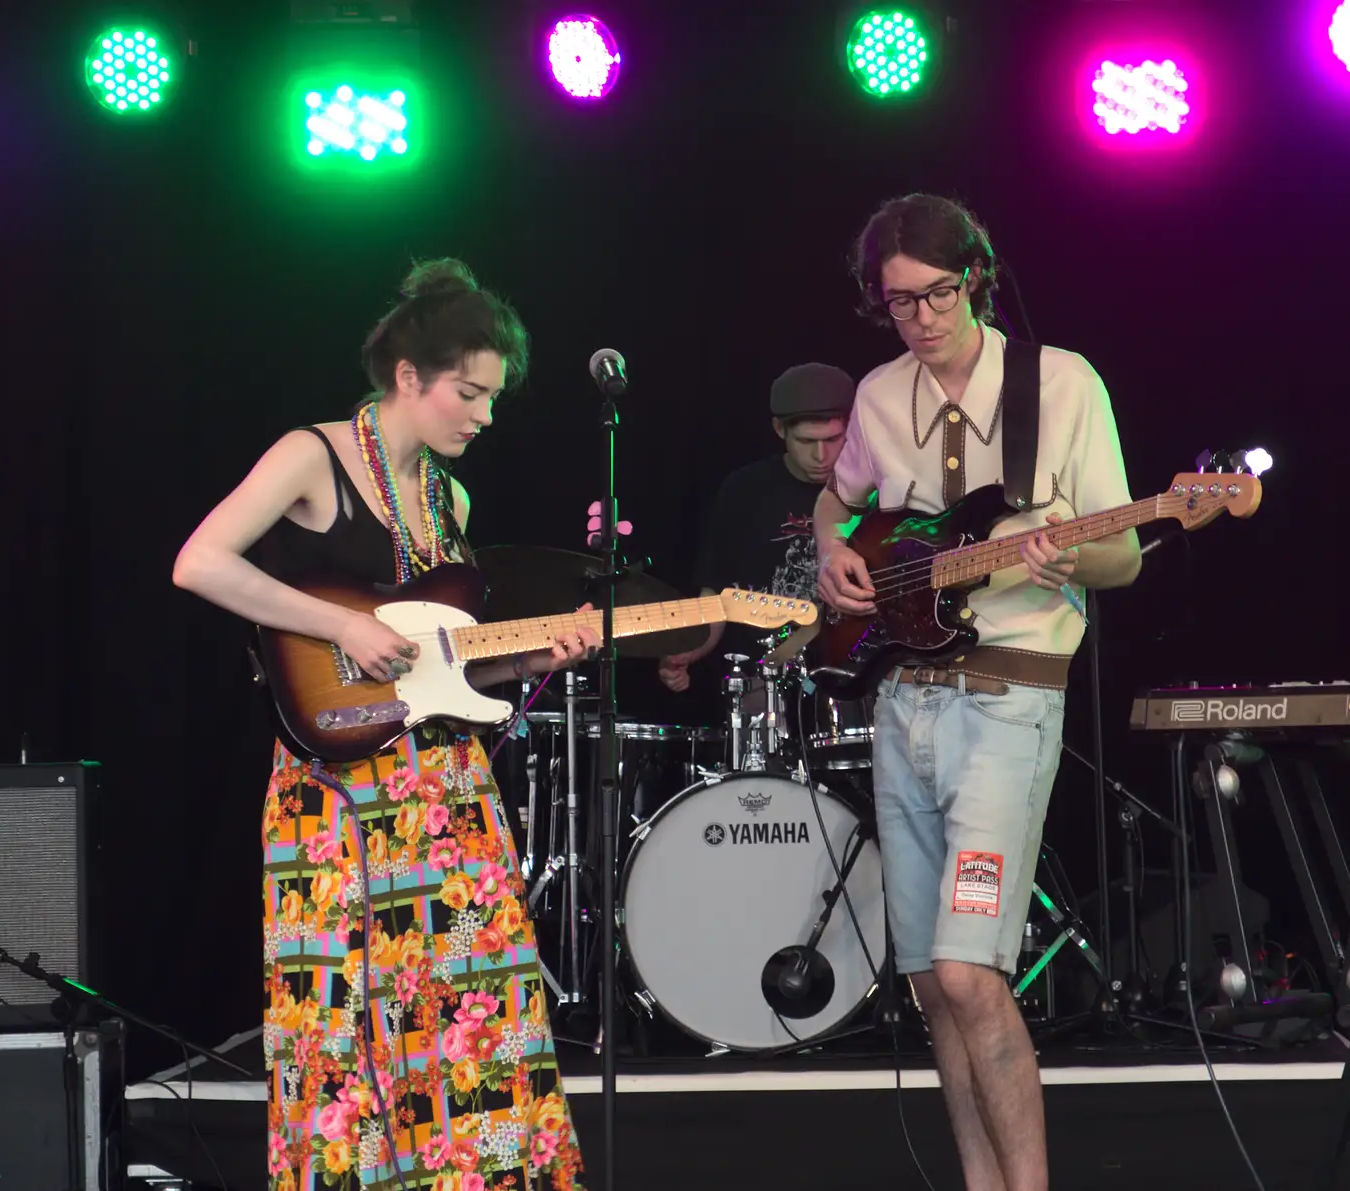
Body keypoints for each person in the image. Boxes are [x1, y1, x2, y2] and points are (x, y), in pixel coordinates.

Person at [173, 258, 589, 1191]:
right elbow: (199, 562)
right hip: (335, 793)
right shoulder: (310, 456)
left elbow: (447, 662)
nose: (483, 415)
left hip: (444, 787)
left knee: (472, 1008)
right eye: (469, 392)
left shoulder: (453, 499)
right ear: (410, 376)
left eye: (492, 397)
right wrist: (339, 625)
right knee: (343, 1016)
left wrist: (535, 658)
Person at [814, 195, 1141, 1191]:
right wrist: (833, 545)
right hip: (905, 702)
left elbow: (1121, 552)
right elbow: (839, 496)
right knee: (927, 983)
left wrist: (1068, 560)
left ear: (978, 279)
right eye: (898, 303)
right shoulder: (878, 396)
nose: (919, 318)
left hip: (1008, 703)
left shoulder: (1058, 383)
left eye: (937, 295)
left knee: (967, 970)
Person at [657, 362, 854, 695]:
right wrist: (690, 651)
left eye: (833, 439)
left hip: (856, 676)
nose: (821, 455)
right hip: (763, 682)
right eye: (807, 441)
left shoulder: (872, 490)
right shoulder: (744, 490)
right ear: (779, 429)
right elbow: (717, 592)